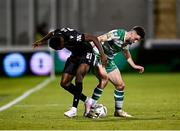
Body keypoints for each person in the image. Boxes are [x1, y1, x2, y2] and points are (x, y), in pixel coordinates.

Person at [32, 27, 108, 118]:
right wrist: (41, 41)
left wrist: (102, 54)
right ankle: (87, 101)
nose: (59, 50)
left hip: (86, 53)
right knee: (64, 83)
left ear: (61, 42)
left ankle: (74, 109)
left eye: (59, 48)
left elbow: (93, 38)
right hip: (75, 55)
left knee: (79, 75)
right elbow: (51, 33)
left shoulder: (73, 37)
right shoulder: (57, 35)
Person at [79, 26, 145, 118]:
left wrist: (134, 66)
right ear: (132, 33)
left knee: (120, 85)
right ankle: (91, 107)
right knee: (104, 80)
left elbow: (126, 53)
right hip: (98, 56)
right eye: (136, 39)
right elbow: (100, 38)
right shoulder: (118, 34)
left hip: (108, 61)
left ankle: (118, 111)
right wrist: (88, 49)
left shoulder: (127, 42)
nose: (135, 41)